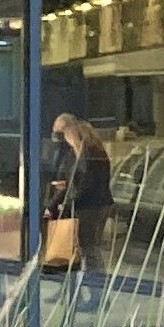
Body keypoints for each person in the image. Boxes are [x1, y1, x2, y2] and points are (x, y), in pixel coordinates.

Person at [42, 110, 113, 276]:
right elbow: (68, 178)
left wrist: (65, 200)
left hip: (92, 206)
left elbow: (84, 179)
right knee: (80, 247)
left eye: (63, 134)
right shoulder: (72, 154)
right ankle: (80, 287)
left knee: (89, 247)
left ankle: (97, 289)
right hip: (84, 204)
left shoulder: (90, 154)